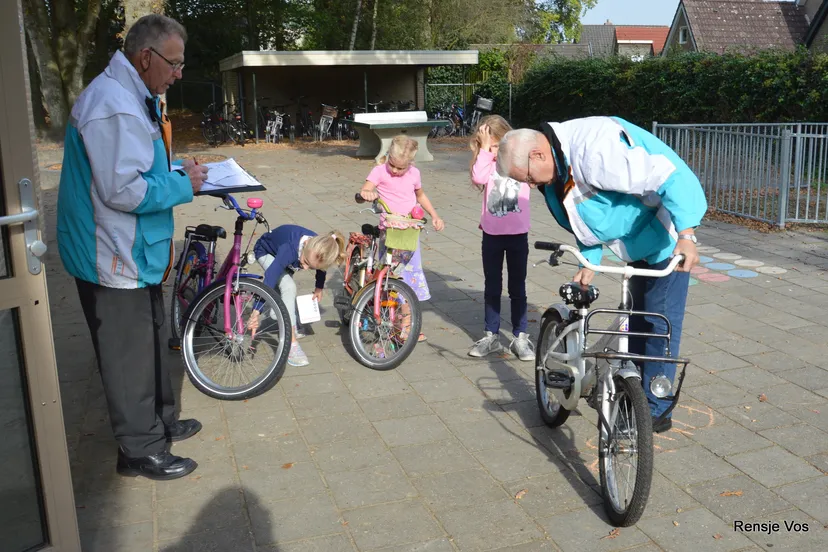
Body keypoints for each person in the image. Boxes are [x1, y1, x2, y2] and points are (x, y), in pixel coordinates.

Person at [56, 14, 208, 479]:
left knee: (147, 338)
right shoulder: (113, 104)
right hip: (110, 254)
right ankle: (139, 450)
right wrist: (187, 186)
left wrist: (178, 167)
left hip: (133, 251)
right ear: (147, 57)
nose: (179, 73)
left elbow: (137, 161)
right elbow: (123, 190)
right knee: (127, 353)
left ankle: (159, 421)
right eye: (175, 64)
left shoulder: (133, 94)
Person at [496, 116, 706, 433]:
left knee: (658, 322)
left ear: (538, 154)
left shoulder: (595, 151)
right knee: (637, 320)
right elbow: (589, 216)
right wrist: (588, 260)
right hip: (639, 243)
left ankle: (653, 409)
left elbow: (671, 176)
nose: (529, 185)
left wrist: (687, 234)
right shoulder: (558, 167)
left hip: (667, 237)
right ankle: (635, 397)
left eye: (526, 177)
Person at [358, 135, 445, 341]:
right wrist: (367, 193)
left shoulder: (414, 173)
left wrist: (435, 215)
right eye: (393, 166)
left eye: (401, 168)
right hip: (389, 232)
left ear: (411, 164)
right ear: (387, 156)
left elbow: (420, 195)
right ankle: (388, 317)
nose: (395, 171)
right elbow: (366, 188)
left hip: (408, 233)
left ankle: (407, 325)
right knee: (389, 278)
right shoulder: (379, 171)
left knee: (410, 279)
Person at [467, 115, 534, 361]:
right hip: (492, 235)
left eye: (497, 146)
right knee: (492, 287)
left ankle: (521, 337)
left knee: (518, 288)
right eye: (490, 146)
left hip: (518, 235)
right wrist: (485, 149)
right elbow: (478, 178)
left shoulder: (518, 161)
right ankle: (491, 336)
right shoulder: (486, 163)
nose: (494, 151)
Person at [248, 226, 346, 366]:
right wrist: (256, 311)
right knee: (288, 286)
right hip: (265, 252)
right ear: (305, 244)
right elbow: (270, 277)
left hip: (286, 259)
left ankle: (282, 316)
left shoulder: (319, 247)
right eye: (306, 262)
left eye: (311, 267)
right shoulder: (289, 249)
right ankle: (291, 343)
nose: (305, 268)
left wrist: (319, 288)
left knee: (284, 288)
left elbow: (321, 269)